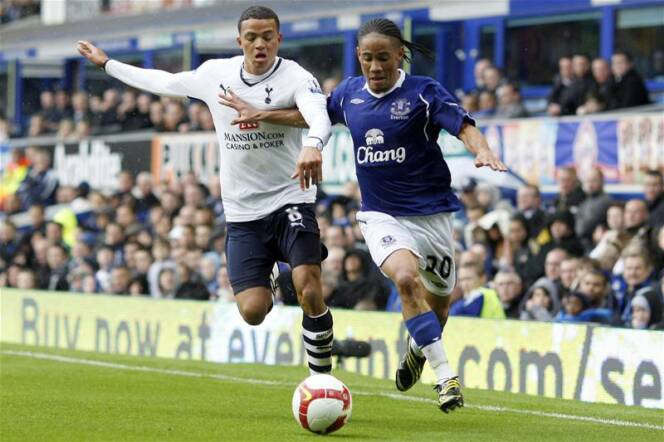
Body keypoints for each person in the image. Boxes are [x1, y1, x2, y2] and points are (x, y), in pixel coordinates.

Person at [219, 18, 507, 413]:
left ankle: (417, 351)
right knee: (405, 279)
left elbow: (463, 126)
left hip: (433, 216)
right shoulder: (349, 94)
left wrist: (482, 149)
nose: (375, 67)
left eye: (383, 58)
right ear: (359, 57)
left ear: (399, 56)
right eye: (367, 58)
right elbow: (308, 116)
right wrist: (262, 112)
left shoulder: (424, 93)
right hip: (381, 215)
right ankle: (446, 378)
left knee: (438, 309)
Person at [76, 5, 337, 375]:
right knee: (252, 312)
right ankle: (270, 273)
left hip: (290, 198)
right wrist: (108, 65)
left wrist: (312, 144)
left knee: (309, 287)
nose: (260, 44)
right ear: (239, 41)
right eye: (251, 37)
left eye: (267, 36)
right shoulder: (216, 74)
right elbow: (164, 82)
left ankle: (321, 380)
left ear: (279, 39)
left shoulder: (295, 77)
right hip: (243, 212)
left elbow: (319, 114)